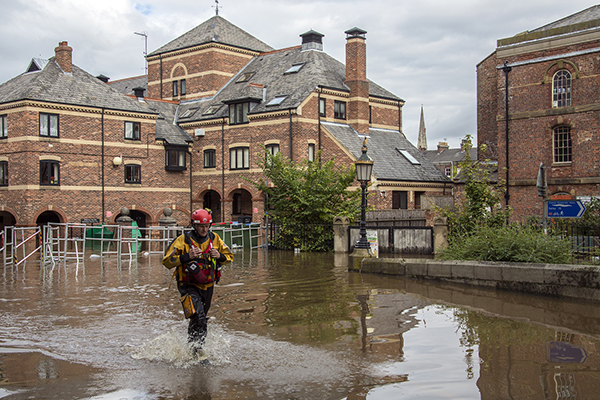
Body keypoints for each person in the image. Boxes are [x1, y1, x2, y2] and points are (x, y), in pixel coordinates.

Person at [162, 209, 233, 353]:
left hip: (208, 286)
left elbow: (229, 257)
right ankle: (198, 351)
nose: (204, 229)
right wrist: (186, 257)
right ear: (194, 225)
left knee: (200, 319)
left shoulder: (214, 239)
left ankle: (192, 348)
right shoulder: (183, 240)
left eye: (207, 226)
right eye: (201, 226)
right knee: (198, 316)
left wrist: (219, 255)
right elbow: (166, 261)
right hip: (188, 285)